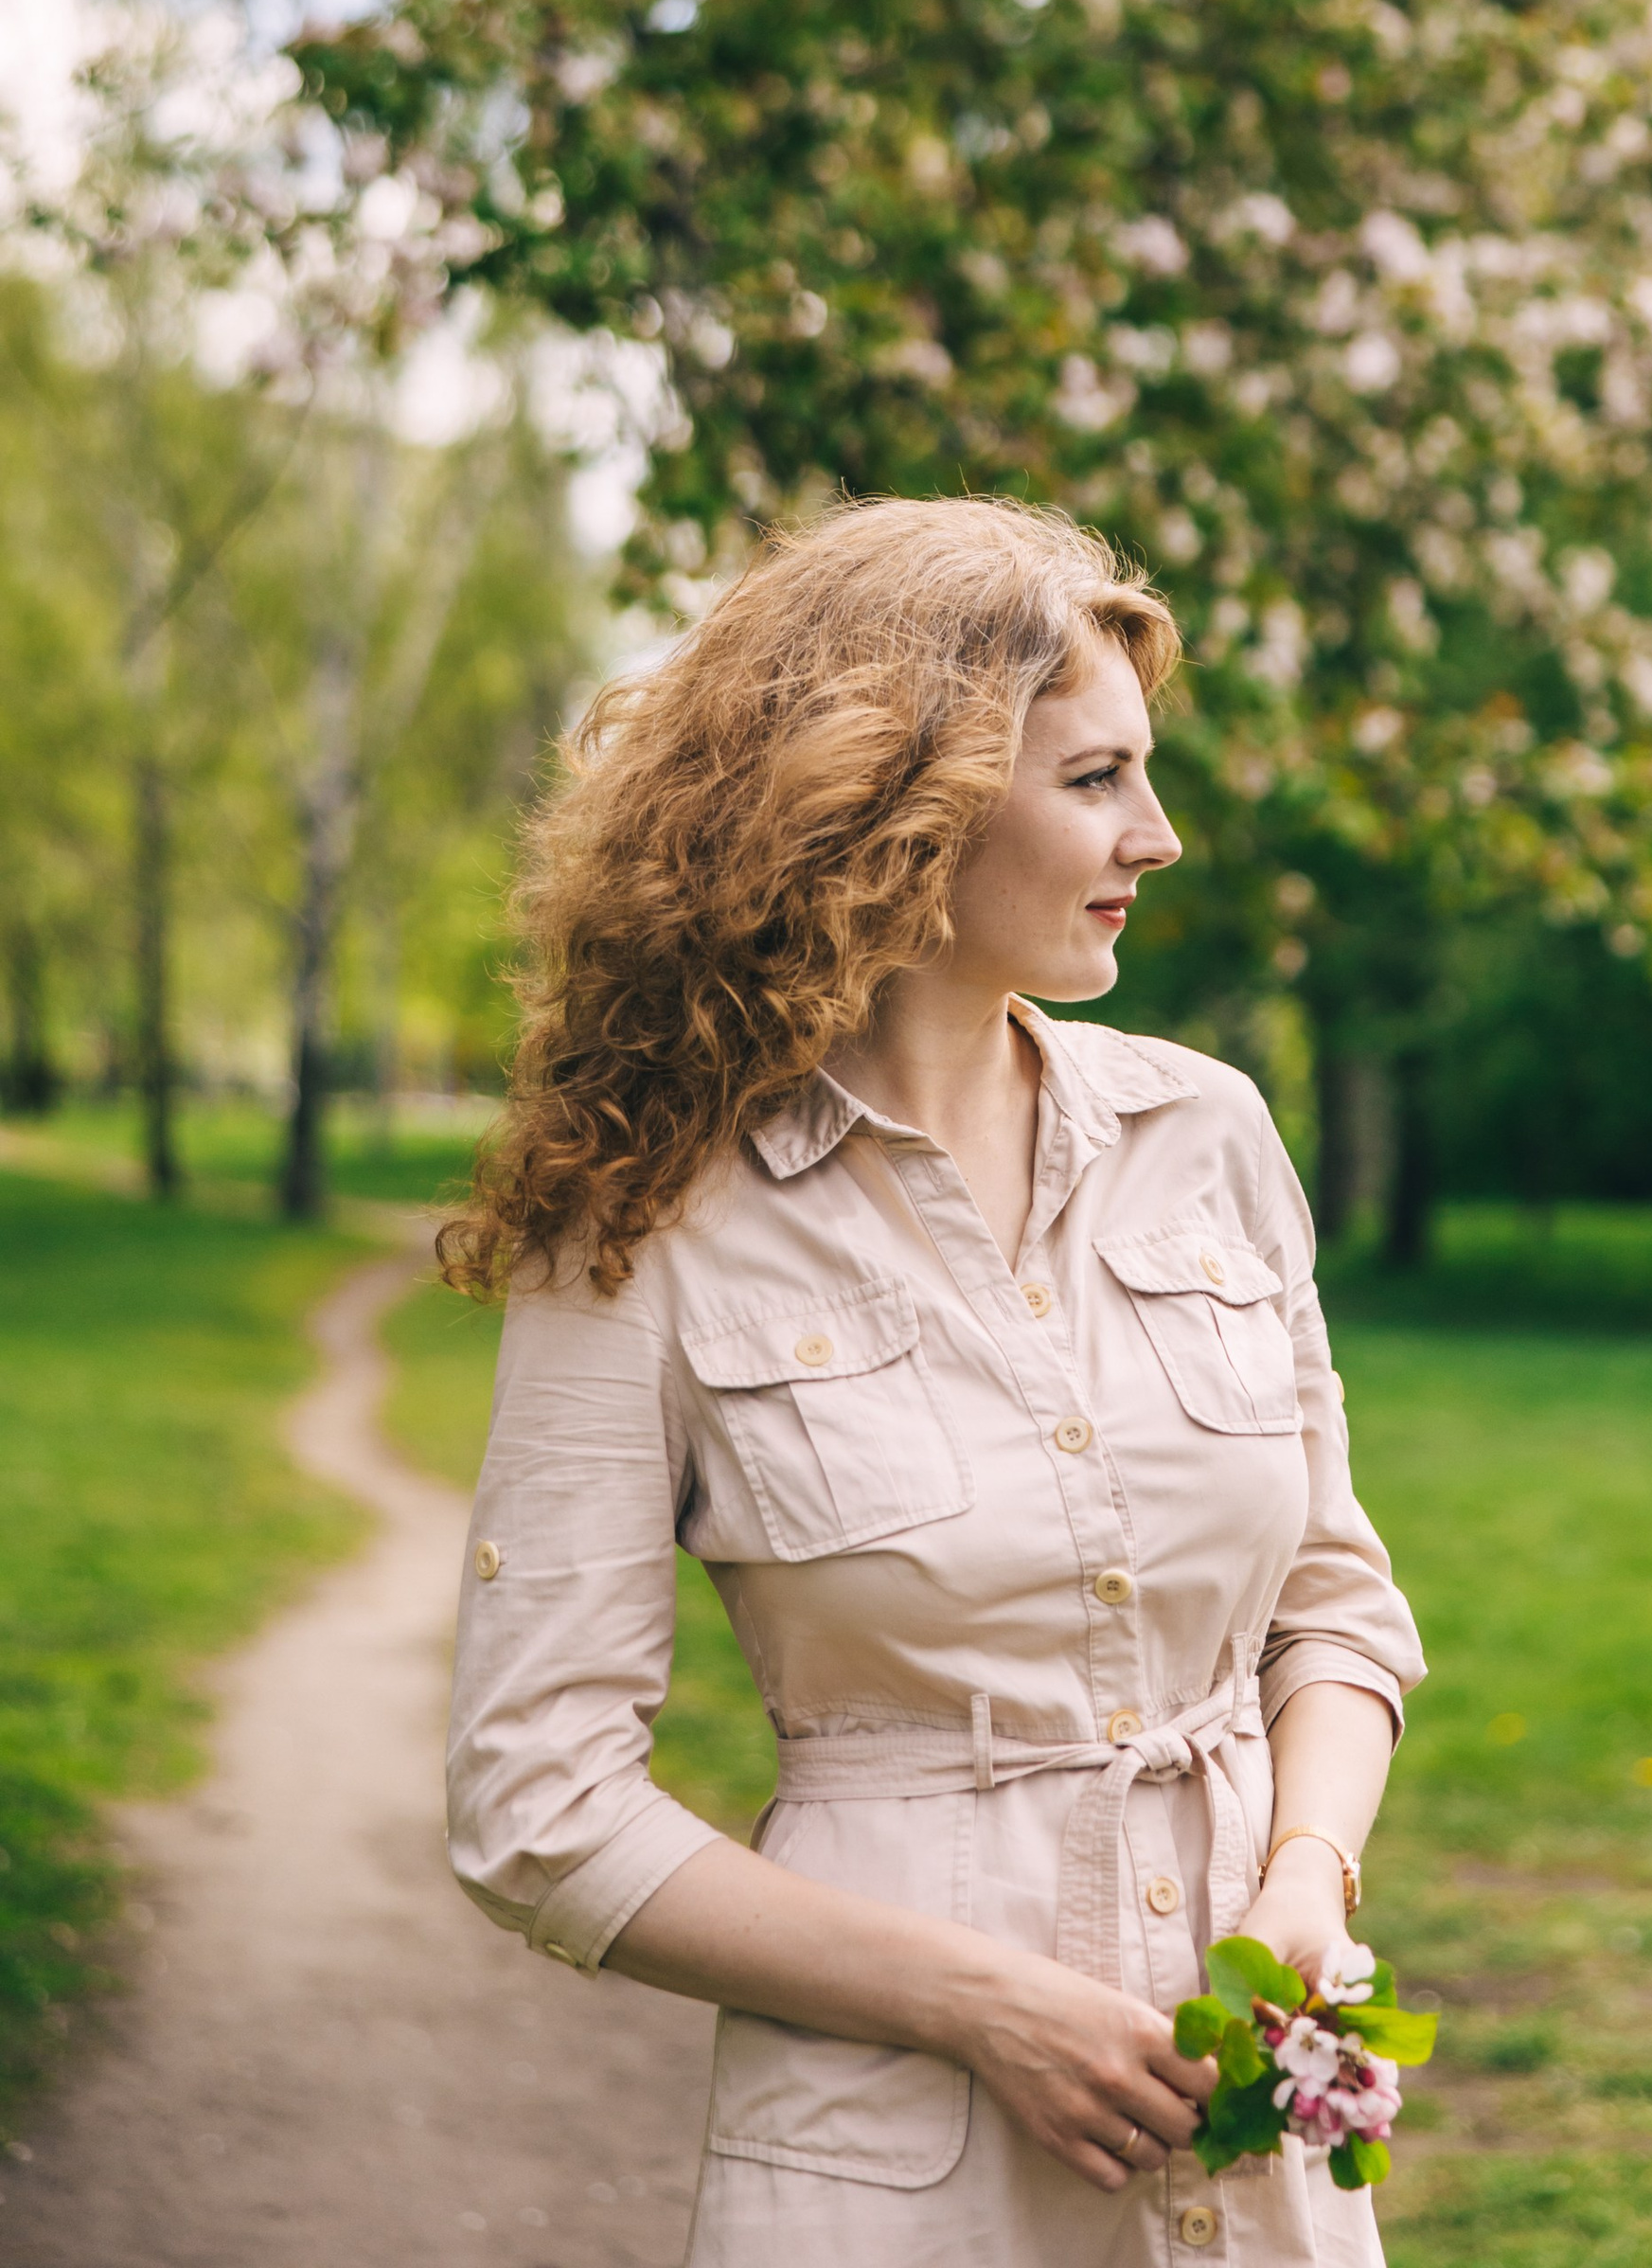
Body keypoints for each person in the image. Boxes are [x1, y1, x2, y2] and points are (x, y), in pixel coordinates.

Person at [442, 496, 1423, 2266]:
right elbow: (538, 1803)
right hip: (895, 2174)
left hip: (1258, 2163)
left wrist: (1300, 1884)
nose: (1162, 834)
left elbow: (1334, 1612)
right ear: (907, 805)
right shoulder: (646, 1214)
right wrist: (990, 2008)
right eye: (1097, 779)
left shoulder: (1205, 1133)